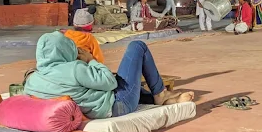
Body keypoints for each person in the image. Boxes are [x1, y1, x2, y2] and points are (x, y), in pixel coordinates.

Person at [24, 32, 194, 119]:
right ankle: (160, 93)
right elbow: (110, 83)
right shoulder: (74, 68)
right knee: (137, 46)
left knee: (122, 80)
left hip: (93, 109)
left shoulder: (32, 80)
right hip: (117, 106)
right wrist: (91, 61)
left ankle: (164, 100)